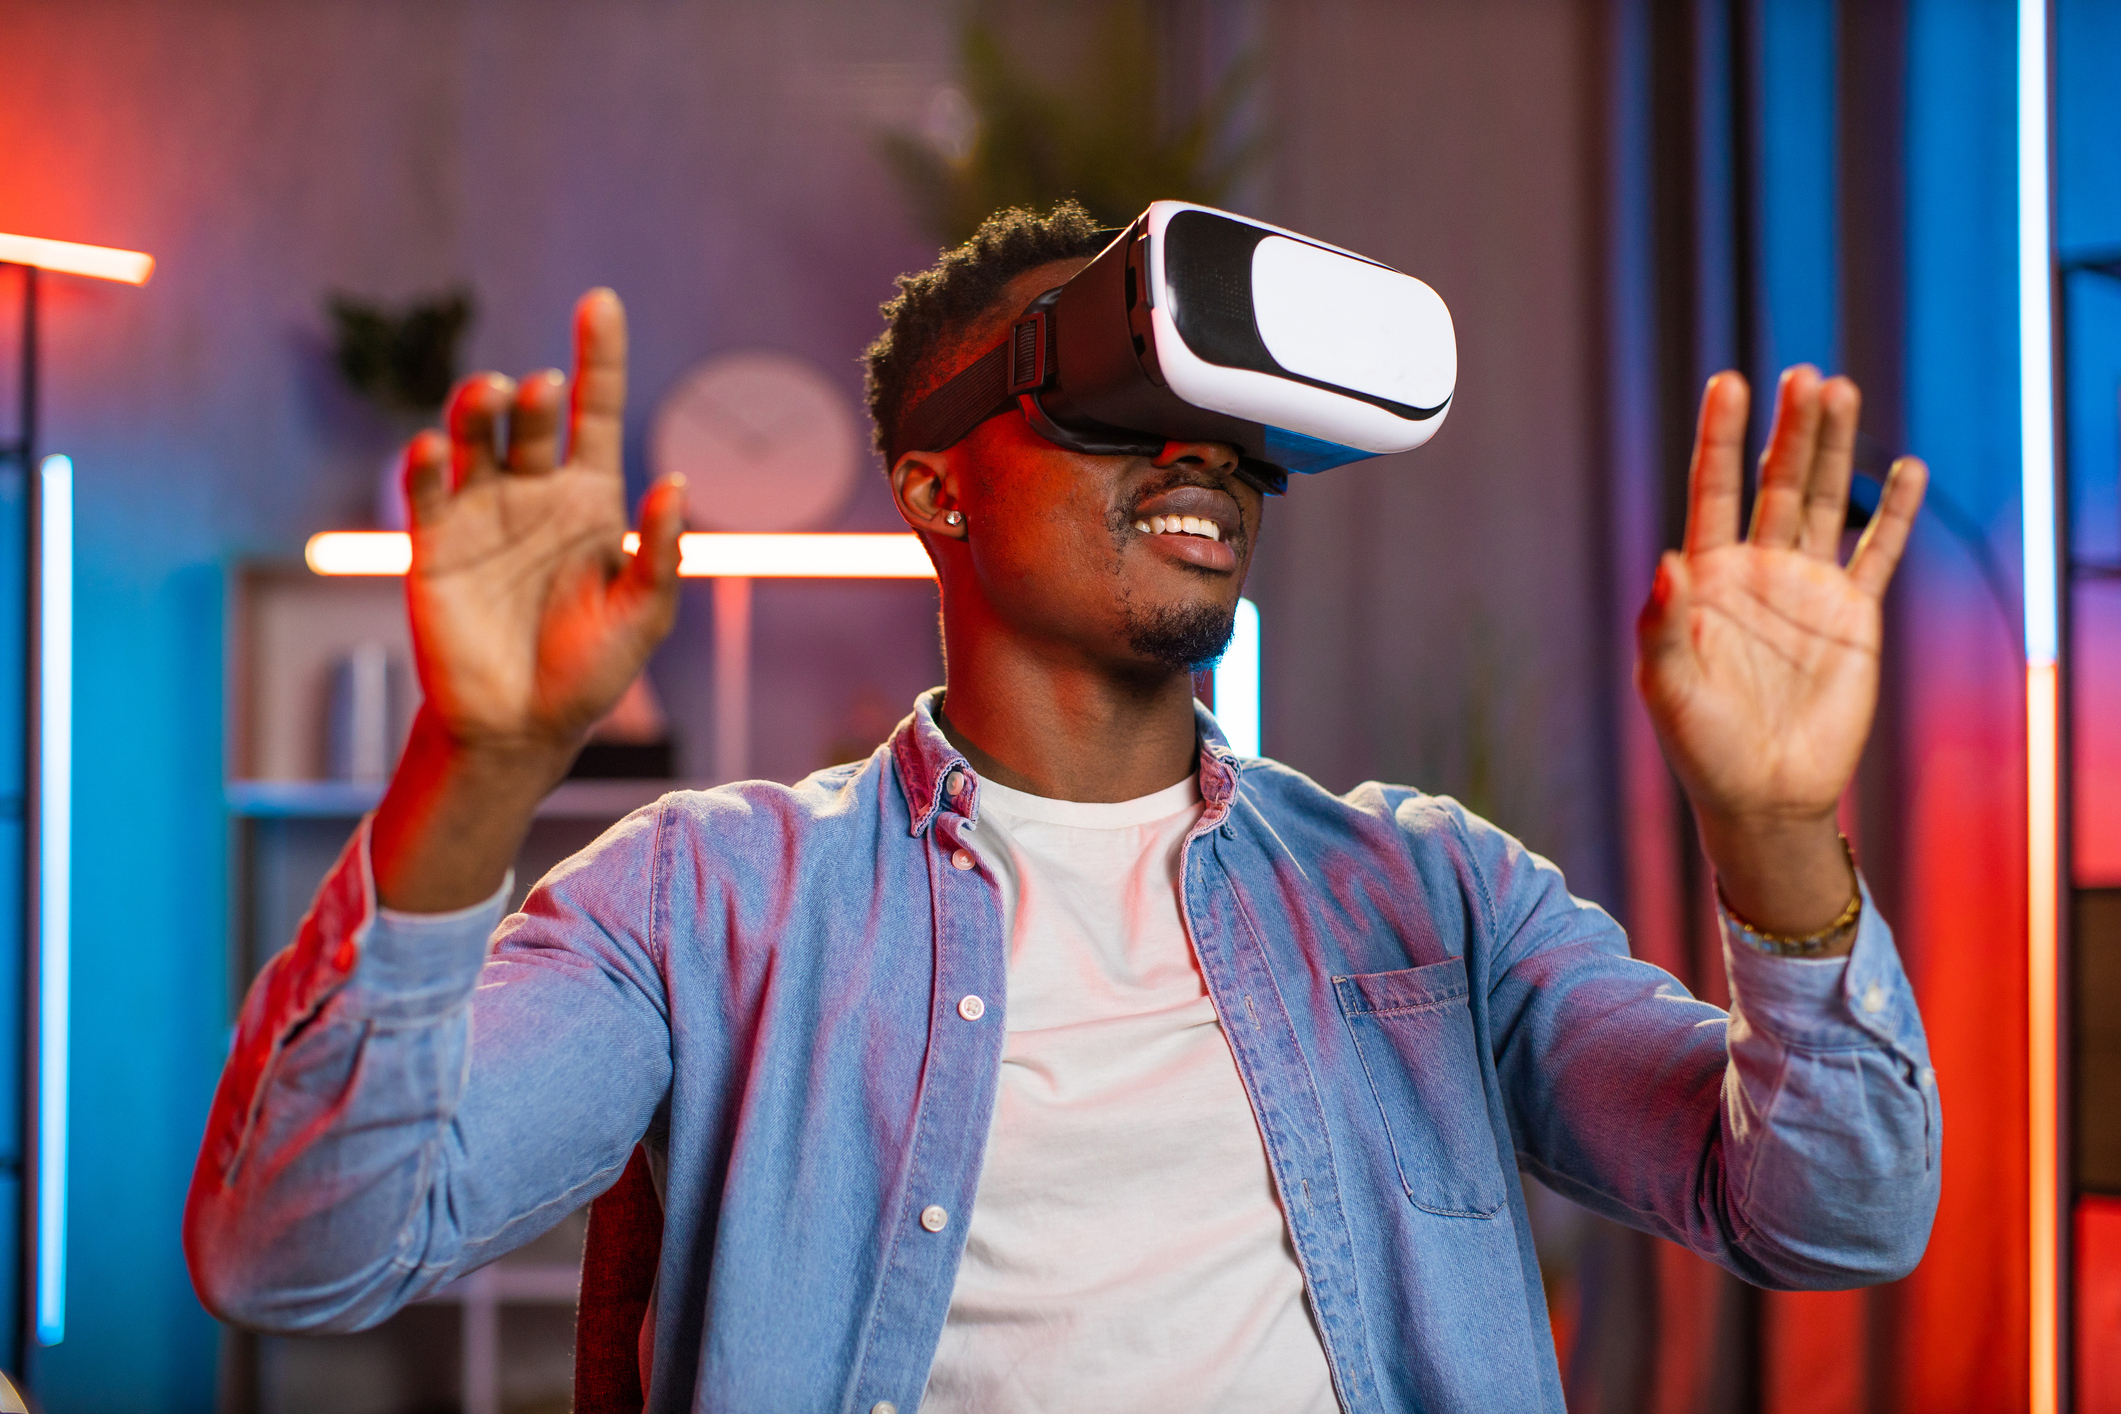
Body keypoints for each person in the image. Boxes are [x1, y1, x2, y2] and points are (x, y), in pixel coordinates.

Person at [186, 204, 1940, 1413]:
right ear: (937, 487)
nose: (1203, 459)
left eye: (1238, 431)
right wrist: (476, 764)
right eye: (1122, 405)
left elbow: (1830, 1215)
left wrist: (1775, 827)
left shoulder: (1434, 893)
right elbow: (297, 1253)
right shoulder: (709, 906)